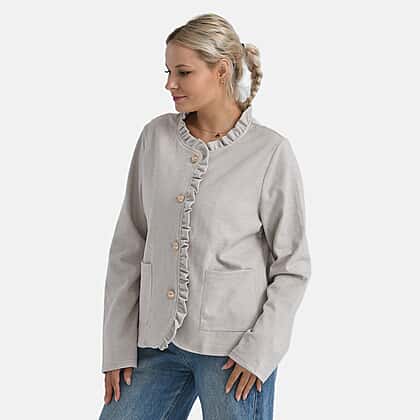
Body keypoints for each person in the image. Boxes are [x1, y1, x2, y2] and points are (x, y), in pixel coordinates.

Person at [99, 12, 311, 420]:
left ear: (222, 71)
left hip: (234, 354)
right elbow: (129, 245)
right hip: (154, 344)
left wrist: (259, 353)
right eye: (168, 72)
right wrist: (117, 346)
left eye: (183, 72)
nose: (170, 84)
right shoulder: (155, 138)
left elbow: (293, 265)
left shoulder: (269, 152)